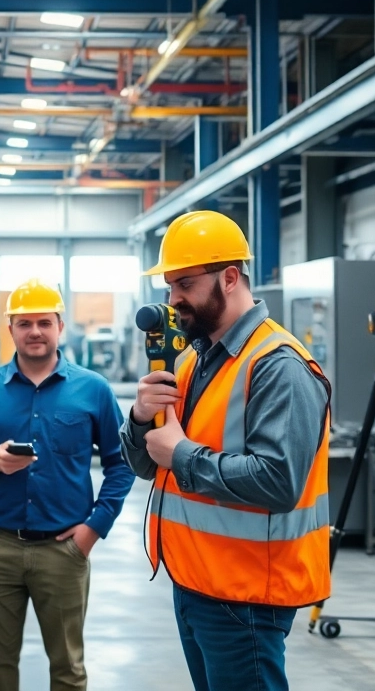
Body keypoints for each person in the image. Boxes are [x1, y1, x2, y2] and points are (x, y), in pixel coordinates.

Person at [119, 210, 331, 691]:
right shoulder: (194, 357)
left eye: (185, 285)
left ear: (230, 278)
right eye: (169, 287)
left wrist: (184, 455)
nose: (173, 301)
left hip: (246, 594)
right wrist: (138, 420)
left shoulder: (279, 366)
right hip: (195, 581)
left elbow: (278, 481)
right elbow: (147, 465)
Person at [0, 278, 134, 691]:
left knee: (68, 669)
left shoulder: (92, 389)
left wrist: (93, 528)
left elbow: (122, 464)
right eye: (24, 323)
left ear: (60, 326)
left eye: (44, 322)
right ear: (10, 328)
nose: (35, 332)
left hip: (63, 549)